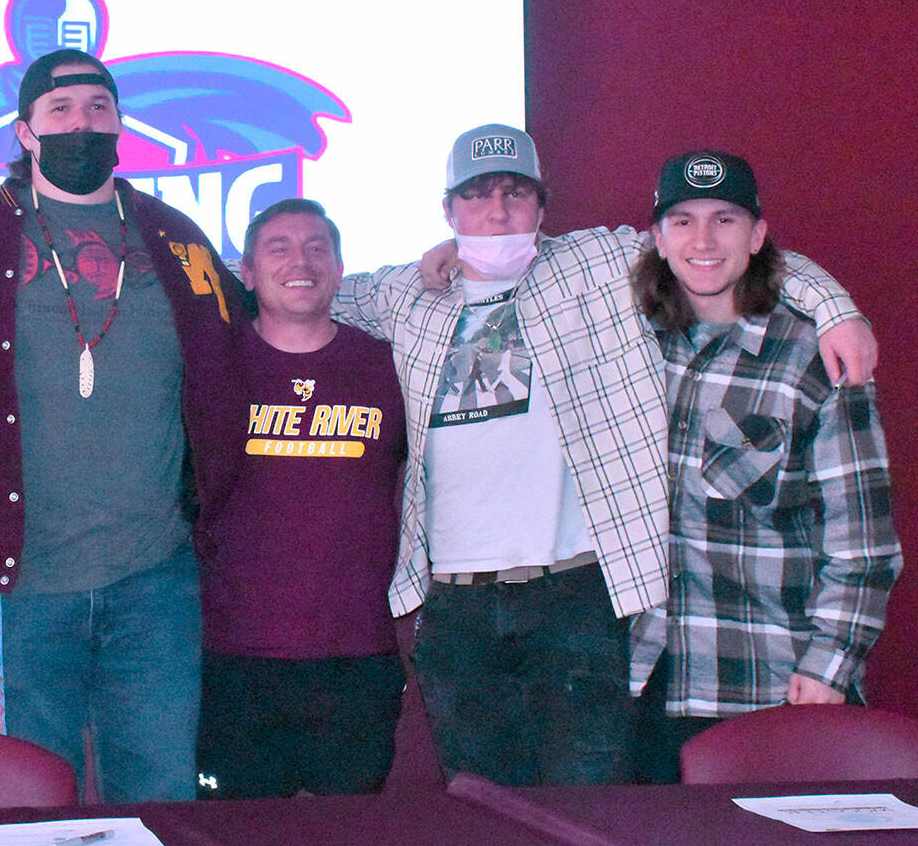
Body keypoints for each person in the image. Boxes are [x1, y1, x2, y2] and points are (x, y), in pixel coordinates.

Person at [329, 123, 877, 786]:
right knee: (479, 808)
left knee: (589, 809)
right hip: (455, 610)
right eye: (476, 196)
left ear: (543, 204)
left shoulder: (598, 264)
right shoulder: (406, 295)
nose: (497, 213)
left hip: (577, 598)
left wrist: (838, 311)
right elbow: (308, 285)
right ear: (448, 209)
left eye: (515, 194)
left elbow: (720, 254)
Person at [0, 49, 247, 802]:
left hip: (156, 578)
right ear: (25, 131)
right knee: (28, 800)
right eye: (60, 111)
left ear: (120, 124)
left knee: (160, 799)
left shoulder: (175, 236)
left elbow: (269, 316)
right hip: (18, 580)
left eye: (98, 108)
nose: (81, 124)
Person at [627, 150, 902, 782]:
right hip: (642, 682)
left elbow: (864, 544)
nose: (703, 241)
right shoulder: (627, 347)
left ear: (757, 235)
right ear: (658, 239)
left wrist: (828, 666)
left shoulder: (815, 356)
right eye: (684, 221)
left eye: (724, 220)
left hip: (769, 685)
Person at [184, 198, 407, 798]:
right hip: (235, 655)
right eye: (278, 248)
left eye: (316, 248)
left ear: (338, 269)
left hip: (356, 652)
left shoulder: (386, 365)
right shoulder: (210, 367)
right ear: (247, 273)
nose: (300, 262)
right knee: (239, 841)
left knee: (351, 842)